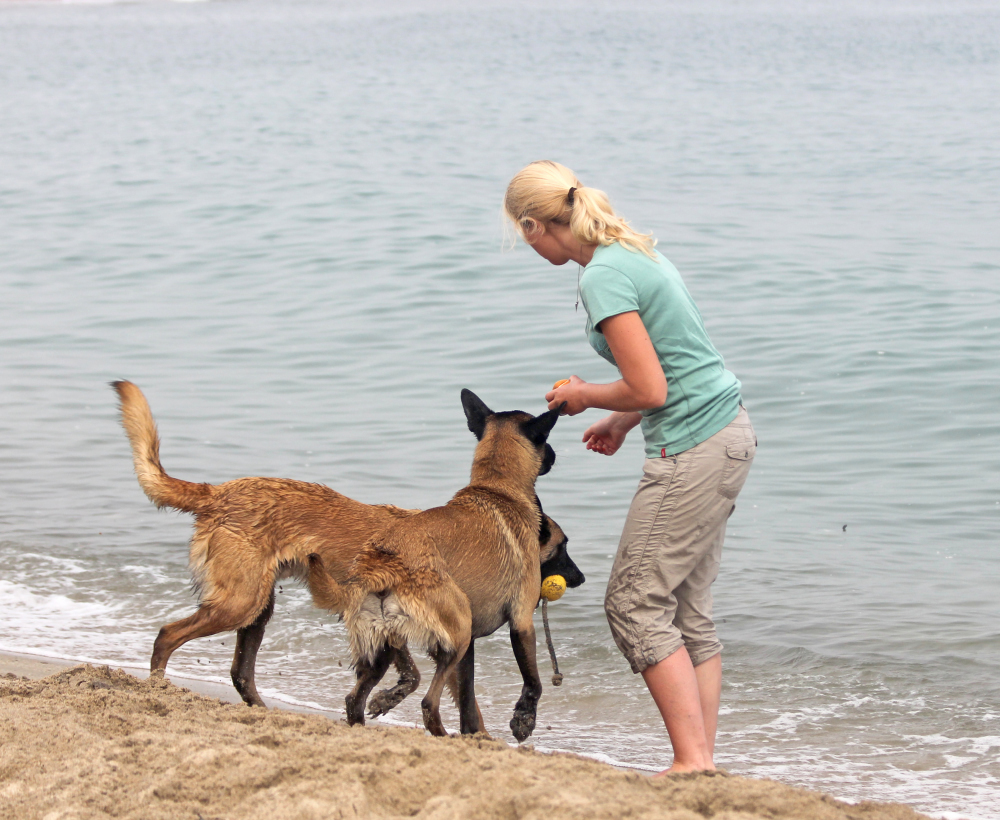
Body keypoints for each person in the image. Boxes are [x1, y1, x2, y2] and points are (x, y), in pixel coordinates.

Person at [503, 160, 756, 774]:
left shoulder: (603, 276)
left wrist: (589, 395)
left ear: (536, 225)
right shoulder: (630, 252)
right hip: (728, 433)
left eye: (521, 234)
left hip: (694, 448)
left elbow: (651, 385)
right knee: (687, 611)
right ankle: (701, 763)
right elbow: (678, 364)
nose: (525, 244)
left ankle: (692, 761)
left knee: (633, 603)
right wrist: (620, 420)